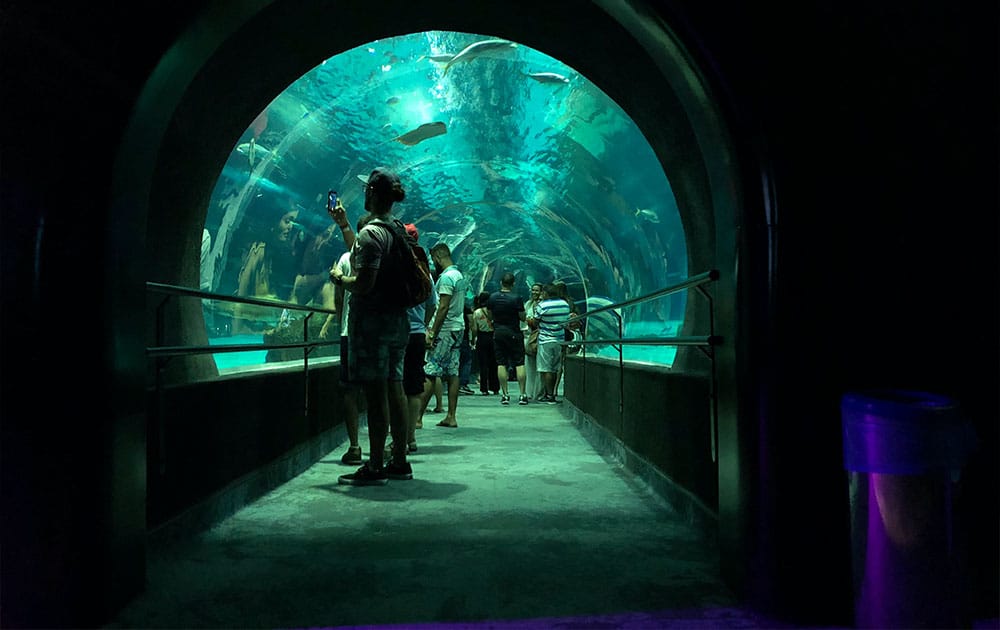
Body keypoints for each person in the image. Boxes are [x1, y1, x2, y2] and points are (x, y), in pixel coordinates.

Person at [330, 167, 412, 485]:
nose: (363, 193)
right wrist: (345, 226)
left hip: (374, 326)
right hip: (398, 323)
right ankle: (400, 461)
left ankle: (375, 465)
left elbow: (364, 284)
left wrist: (340, 279)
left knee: (376, 395)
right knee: (396, 389)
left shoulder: (371, 233)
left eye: (367, 189)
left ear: (373, 194)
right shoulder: (397, 229)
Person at [233, 202, 305, 333]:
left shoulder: (284, 254)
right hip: (253, 330)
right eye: (287, 221)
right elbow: (241, 295)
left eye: (292, 223)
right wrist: (236, 333)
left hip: (270, 329)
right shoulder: (260, 250)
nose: (290, 227)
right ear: (274, 222)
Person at [418, 243, 468, 428]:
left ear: (438, 257)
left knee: (431, 371)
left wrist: (432, 332)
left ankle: (417, 418)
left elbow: (443, 307)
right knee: (452, 373)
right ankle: (451, 416)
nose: (433, 263)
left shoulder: (446, 278)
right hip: (458, 328)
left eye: (433, 259)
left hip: (445, 330)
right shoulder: (459, 275)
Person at [327, 208, 363, 465]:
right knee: (378, 389)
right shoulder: (384, 257)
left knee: (350, 390)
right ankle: (386, 445)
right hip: (375, 335)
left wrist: (341, 322)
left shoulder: (345, 259)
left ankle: (355, 446)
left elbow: (339, 299)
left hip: (350, 333)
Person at [401, 223, 437, 453]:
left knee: (395, 386)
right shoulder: (425, 272)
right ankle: (410, 438)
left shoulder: (396, 268)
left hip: (396, 334)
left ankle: (395, 437)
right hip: (416, 333)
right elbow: (432, 305)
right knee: (414, 387)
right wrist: (423, 324)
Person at [487, 272, 528, 405]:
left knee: (501, 363)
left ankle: (505, 394)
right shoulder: (516, 298)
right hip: (514, 332)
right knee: (519, 363)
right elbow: (522, 317)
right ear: (513, 284)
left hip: (498, 332)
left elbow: (489, 315)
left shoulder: (492, 297)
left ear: (501, 282)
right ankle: (522, 394)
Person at [527, 283, 571, 403]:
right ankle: (553, 393)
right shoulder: (565, 304)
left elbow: (535, 322)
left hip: (545, 340)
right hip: (560, 339)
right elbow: (567, 321)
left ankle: (549, 395)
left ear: (546, 293)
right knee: (556, 367)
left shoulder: (543, 305)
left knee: (546, 368)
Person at [471, 291, 499, 395]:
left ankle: (484, 389)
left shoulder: (477, 312)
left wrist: (473, 339)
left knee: (483, 364)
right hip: (493, 337)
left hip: (482, 337)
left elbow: (474, 328)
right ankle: (495, 387)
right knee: (494, 364)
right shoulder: (494, 310)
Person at [522, 282, 543, 401]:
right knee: (529, 366)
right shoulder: (528, 304)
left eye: (537, 290)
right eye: (533, 290)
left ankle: (538, 392)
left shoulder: (542, 304)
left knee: (539, 366)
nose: (534, 292)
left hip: (539, 337)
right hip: (528, 337)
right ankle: (529, 391)